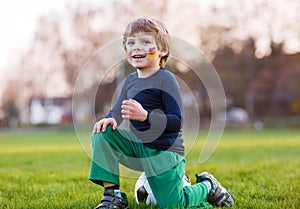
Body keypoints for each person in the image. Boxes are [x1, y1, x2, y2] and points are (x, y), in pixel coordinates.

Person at [89, 16, 235, 209]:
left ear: (162, 50)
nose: (136, 47)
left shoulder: (166, 80)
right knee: (103, 133)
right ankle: (112, 196)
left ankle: (208, 186)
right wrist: (107, 120)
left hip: (164, 151)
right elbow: (115, 113)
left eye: (145, 42)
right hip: (139, 146)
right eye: (130, 43)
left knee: (173, 204)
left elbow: (176, 121)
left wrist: (145, 116)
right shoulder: (130, 81)